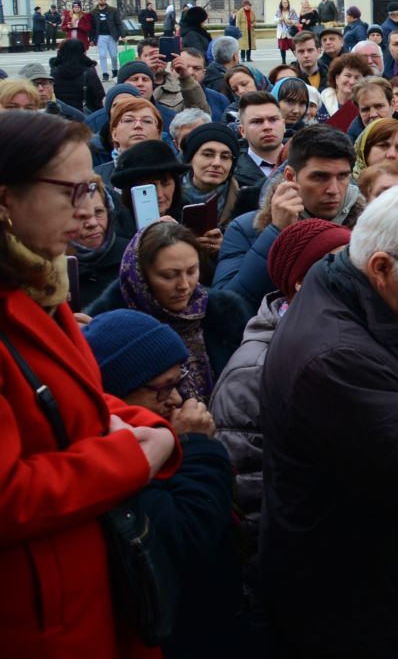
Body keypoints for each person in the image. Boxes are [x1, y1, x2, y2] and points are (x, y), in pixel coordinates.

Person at [259, 182, 398, 657]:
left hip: (386, 585)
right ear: (381, 266)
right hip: (363, 611)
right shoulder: (336, 358)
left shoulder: (351, 293)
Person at [0, 111, 180, 658]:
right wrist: (130, 458)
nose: (87, 210)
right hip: (37, 617)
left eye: (92, 188)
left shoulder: (41, 280)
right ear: (6, 200)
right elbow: (7, 494)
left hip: (87, 579)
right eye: (71, 191)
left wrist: (150, 425)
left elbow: (75, 397)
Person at [82, 308, 250, 659]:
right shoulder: (117, 457)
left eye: (178, 383)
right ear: (115, 389)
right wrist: (196, 448)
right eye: (160, 389)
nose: (174, 400)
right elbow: (189, 537)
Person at [212, 217, 351, 565]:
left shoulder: (354, 338)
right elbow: (247, 495)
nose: (355, 275)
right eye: (338, 264)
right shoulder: (254, 369)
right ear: (301, 282)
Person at [84, 220, 254, 402]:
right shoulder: (107, 331)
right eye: (169, 276)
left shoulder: (226, 314)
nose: (184, 285)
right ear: (140, 275)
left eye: (192, 271)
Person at [215, 124, 364, 302]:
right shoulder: (246, 228)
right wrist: (275, 232)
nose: (333, 189)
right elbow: (228, 305)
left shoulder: (367, 228)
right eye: (319, 177)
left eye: (342, 176)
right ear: (290, 176)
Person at [51, 36, 105, 113]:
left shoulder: (55, 72)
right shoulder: (88, 72)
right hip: (84, 116)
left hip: (62, 116)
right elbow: (99, 97)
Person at [91, 0, 120, 81]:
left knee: (114, 55)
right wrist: (91, 39)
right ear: (97, 0)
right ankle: (105, 74)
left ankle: (115, 71)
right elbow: (91, 27)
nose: (103, 1)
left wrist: (123, 35)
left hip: (112, 35)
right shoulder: (93, 12)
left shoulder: (113, 10)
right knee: (102, 55)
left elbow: (118, 23)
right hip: (100, 36)